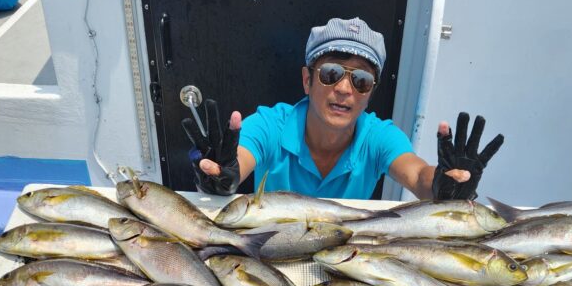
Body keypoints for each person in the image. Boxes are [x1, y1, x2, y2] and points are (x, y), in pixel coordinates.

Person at [182, 17, 504, 201]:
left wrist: (444, 184)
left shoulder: (378, 136)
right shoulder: (270, 124)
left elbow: (418, 175)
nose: (345, 89)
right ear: (307, 80)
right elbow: (237, 162)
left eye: (361, 80)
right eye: (331, 73)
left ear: (370, 93)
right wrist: (220, 175)